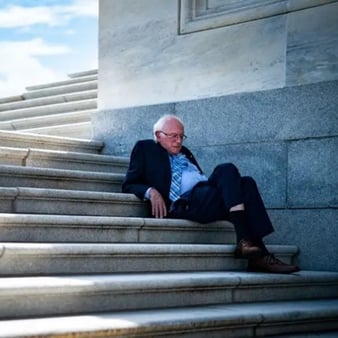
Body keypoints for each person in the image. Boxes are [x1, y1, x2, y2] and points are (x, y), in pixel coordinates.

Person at [122, 114, 300, 274]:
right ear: (159, 135)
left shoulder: (185, 152)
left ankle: (252, 249)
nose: (179, 141)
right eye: (173, 136)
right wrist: (151, 191)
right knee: (227, 170)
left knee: (246, 183)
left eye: (181, 136)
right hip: (184, 202)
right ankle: (255, 250)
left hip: (205, 195)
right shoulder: (145, 148)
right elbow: (129, 183)